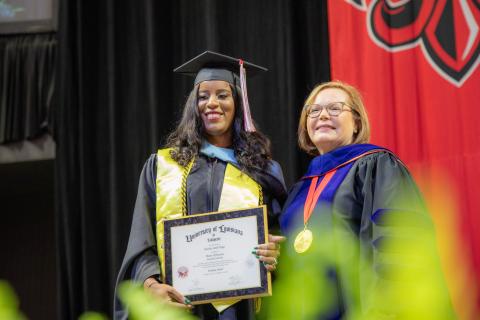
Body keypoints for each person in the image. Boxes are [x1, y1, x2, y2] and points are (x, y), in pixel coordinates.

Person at [114, 51, 287, 320]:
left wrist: (276, 252)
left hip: (243, 309)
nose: (212, 103)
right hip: (182, 306)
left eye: (222, 95)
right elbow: (142, 239)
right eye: (203, 96)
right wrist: (150, 285)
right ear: (193, 106)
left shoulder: (263, 170)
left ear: (238, 103)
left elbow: (279, 235)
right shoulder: (162, 166)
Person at [279, 81, 453, 318]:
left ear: (357, 122)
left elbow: (397, 247)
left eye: (335, 108)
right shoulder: (299, 190)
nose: (323, 116)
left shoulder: (376, 166)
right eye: (314, 110)